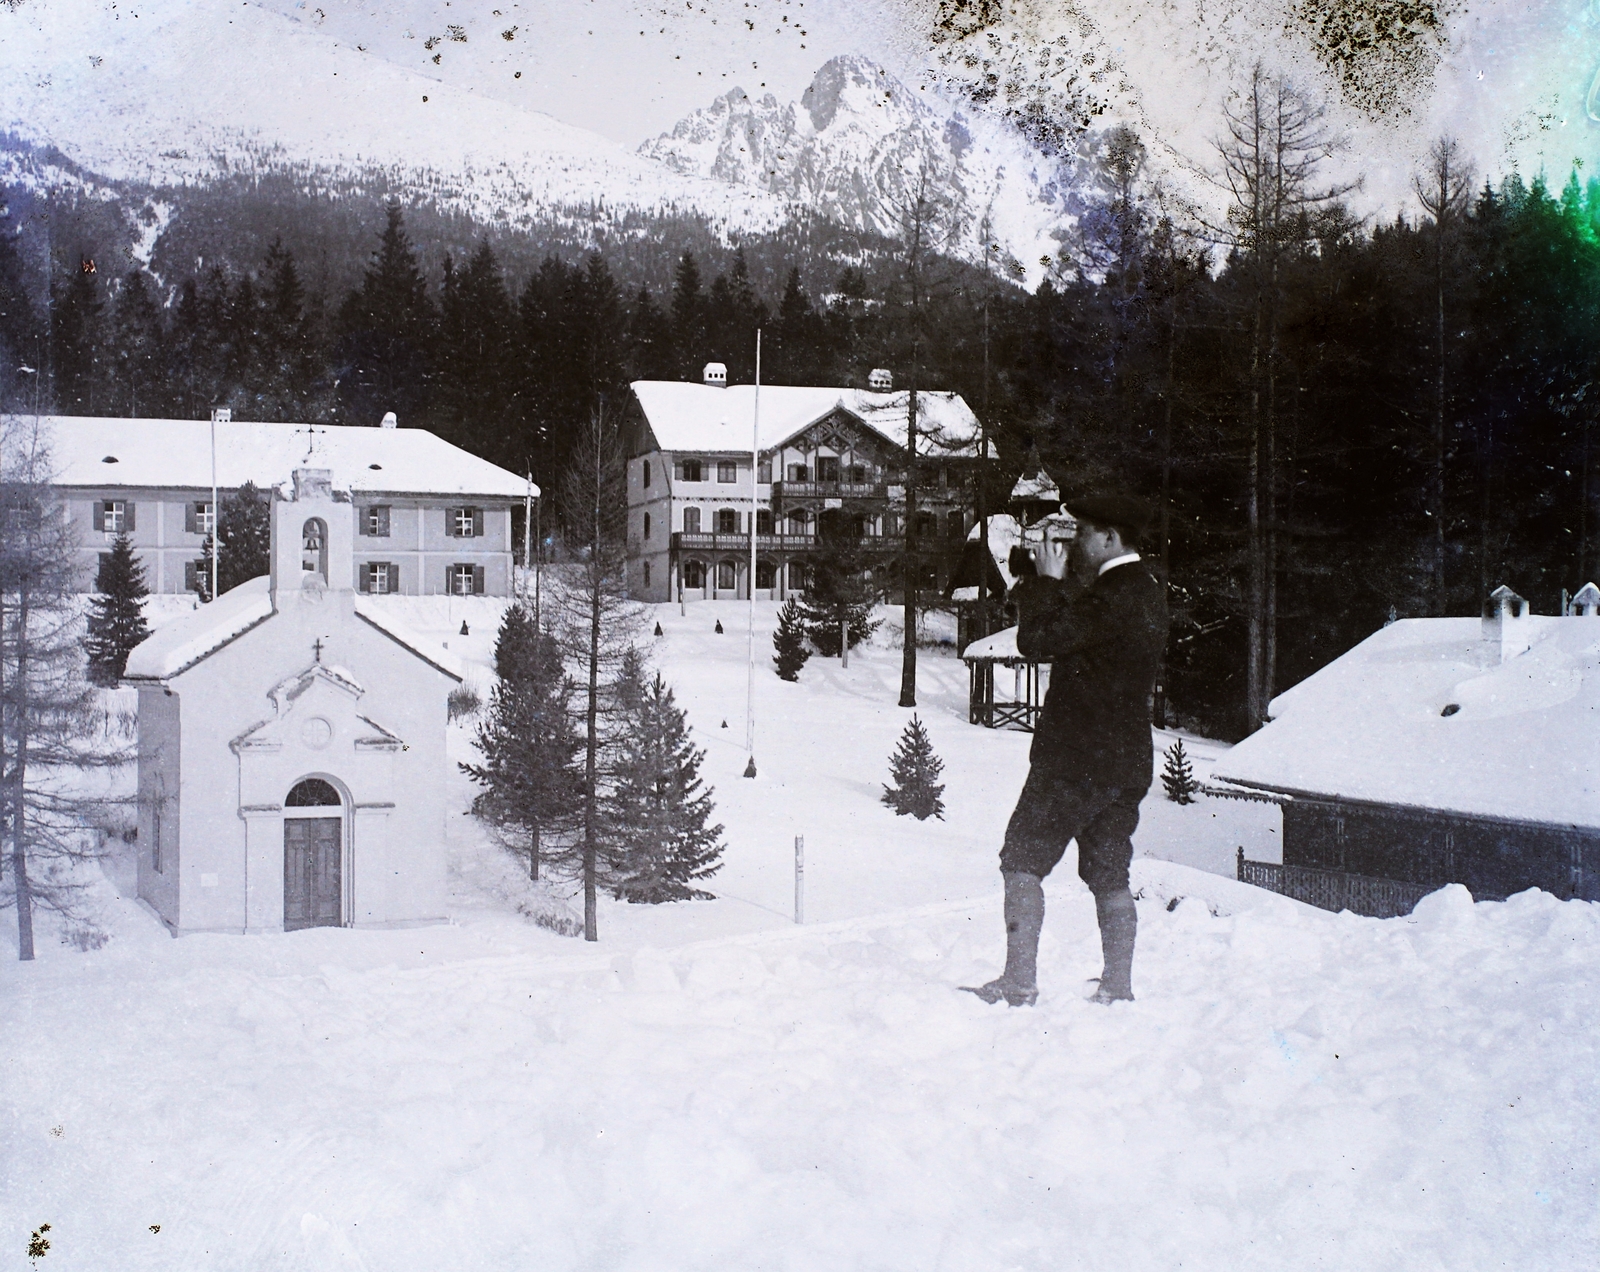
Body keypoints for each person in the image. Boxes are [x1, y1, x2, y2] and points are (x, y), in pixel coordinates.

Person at [963, 494, 1169, 1006]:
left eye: (1082, 533)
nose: (1074, 542)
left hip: (1075, 759)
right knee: (1109, 872)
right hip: (1127, 761)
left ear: (1110, 537)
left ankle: (1019, 982)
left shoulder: (1110, 597)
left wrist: (1047, 584)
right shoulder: (1145, 590)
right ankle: (1117, 985)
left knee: (1021, 861)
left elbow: (1037, 640)